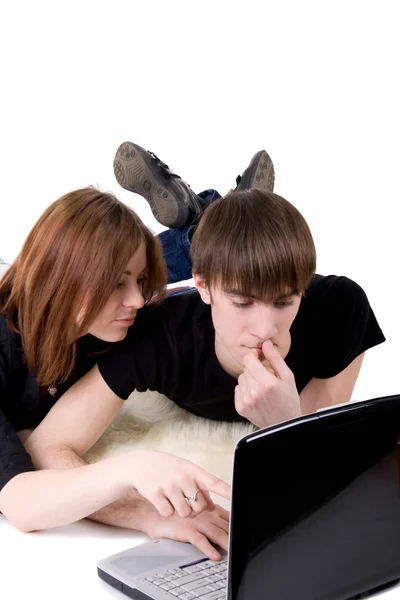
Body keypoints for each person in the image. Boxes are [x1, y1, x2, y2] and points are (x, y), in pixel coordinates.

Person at [23, 175, 385, 553]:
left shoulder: (339, 308)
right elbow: (48, 447)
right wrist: (144, 513)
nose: (265, 330)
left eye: (284, 302)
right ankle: (204, 212)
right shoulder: (157, 333)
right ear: (203, 286)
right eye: (242, 303)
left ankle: (226, 202)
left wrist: (285, 420)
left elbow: (322, 479)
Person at [0, 187, 232, 561]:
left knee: (163, 287)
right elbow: (19, 503)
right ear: (62, 278)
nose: (137, 300)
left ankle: (212, 216)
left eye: (137, 282)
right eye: (116, 284)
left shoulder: (105, 324)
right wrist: (131, 472)